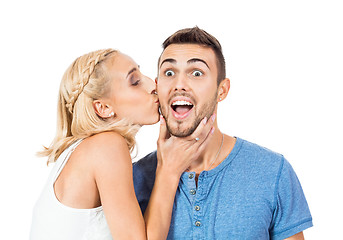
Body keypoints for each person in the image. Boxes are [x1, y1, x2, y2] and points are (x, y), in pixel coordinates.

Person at [133, 27, 313, 240]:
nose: (179, 85)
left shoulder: (273, 172)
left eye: (197, 73)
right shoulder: (132, 179)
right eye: (169, 73)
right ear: (157, 86)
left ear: (222, 90)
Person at [30, 48, 215, 240]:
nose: (153, 84)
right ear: (103, 108)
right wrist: (169, 170)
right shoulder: (106, 146)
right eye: (135, 82)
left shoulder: (83, 151)